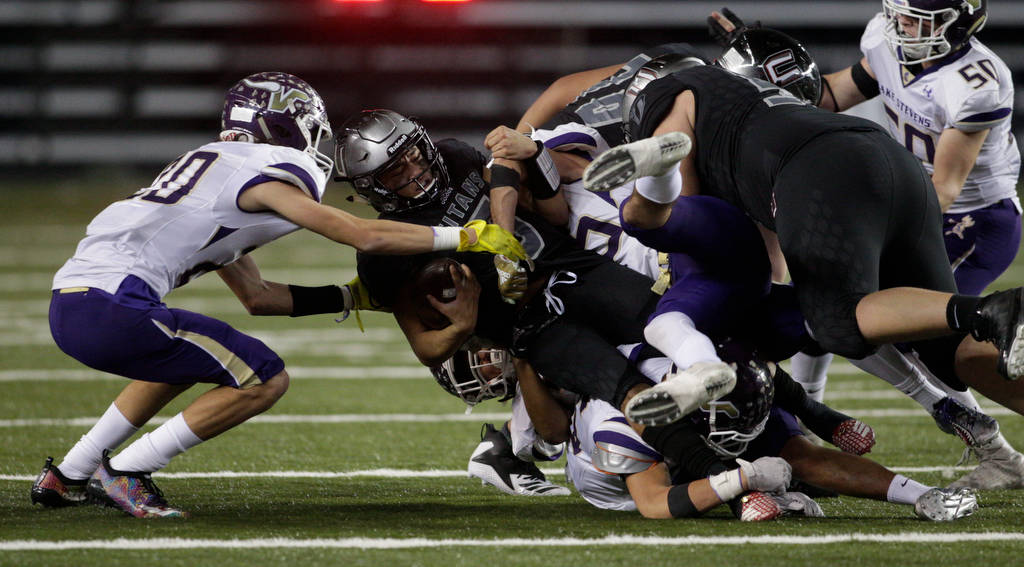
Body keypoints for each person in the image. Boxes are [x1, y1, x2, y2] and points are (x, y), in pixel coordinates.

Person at [29, 72, 526, 518]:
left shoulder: (204, 170)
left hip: (73, 299)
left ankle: (69, 474)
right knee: (264, 378)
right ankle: (128, 471)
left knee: (185, 363)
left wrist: (349, 299)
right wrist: (468, 237)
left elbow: (258, 296)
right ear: (291, 125)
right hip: (116, 303)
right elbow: (364, 234)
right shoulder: (266, 171)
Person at [581, 28, 1024, 430]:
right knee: (946, 349)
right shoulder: (758, 105)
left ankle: (989, 310)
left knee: (837, 323)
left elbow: (693, 217)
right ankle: (986, 317)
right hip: (889, 161)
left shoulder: (672, 95)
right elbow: (770, 259)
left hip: (817, 174)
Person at [706, 7, 1024, 489]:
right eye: (901, 15)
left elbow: (945, 188)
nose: (904, 28)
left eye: (920, 19)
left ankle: (993, 446)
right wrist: (767, 74)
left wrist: (864, 207)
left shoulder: (976, 81)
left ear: (960, 21)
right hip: (905, 203)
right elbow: (830, 96)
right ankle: (984, 443)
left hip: (969, 220)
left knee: (933, 343)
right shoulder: (884, 38)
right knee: (828, 300)